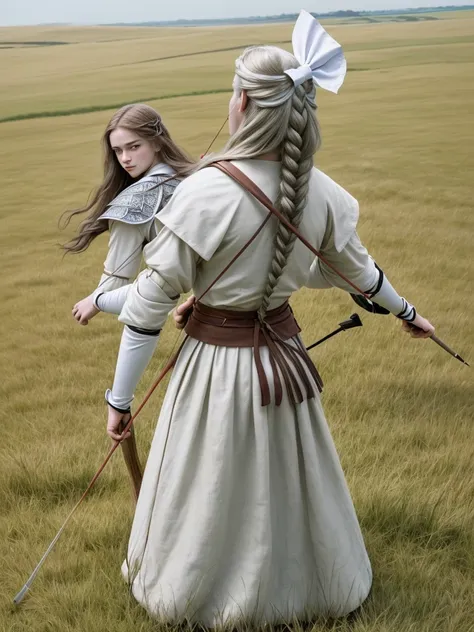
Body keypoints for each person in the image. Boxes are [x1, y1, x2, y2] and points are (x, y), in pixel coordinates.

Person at [103, 12, 434, 627]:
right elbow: (361, 274)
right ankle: (306, 587)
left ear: (245, 105)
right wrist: (409, 314)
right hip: (286, 366)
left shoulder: (201, 193)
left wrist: (118, 400)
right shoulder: (325, 193)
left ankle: (196, 590)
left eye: (235, 93)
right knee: (287, 482)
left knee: (210, 484)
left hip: (215, 370)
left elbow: (148, 306)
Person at [61, 103, 194, 325]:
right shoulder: (196, 175)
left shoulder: (134, 201)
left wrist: (95, 301)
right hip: (224, 294)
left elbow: (119, 275)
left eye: (133, 147)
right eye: (118, 151)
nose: (125, 158)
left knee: (141, 318)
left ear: (157, 142)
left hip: (198, 303)